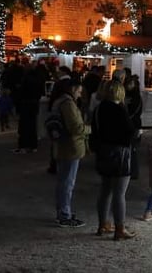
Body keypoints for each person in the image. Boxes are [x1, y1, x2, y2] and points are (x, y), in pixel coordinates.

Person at [92, 80, 136, 240]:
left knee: (105, 190)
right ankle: (120, 227)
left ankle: (102, 224)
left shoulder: (99, 109)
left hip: (103, 151)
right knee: (119, 193)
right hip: (120, 153)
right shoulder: (119, 110)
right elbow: (128, 132)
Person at [51, 77, 89, 228]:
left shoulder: (59, 101)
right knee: (67, 182)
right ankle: (64, 215)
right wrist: (90, 129)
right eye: (79, 91)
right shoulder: (68, 104)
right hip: (70, 147)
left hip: (62, 145)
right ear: (73, 89)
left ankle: (63, 211)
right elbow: (76, 128)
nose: (79, 94)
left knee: (63, 181)